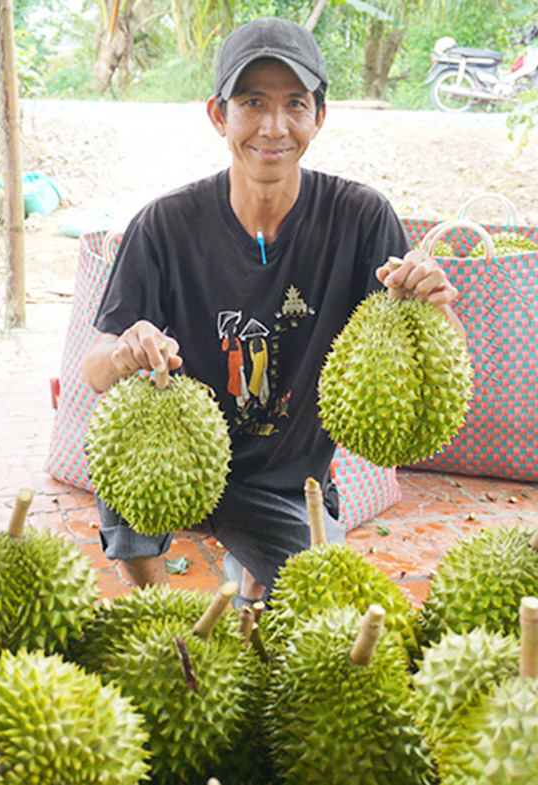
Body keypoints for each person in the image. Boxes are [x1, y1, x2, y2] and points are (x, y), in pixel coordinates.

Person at [81, 16, 462, 605]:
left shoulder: (360, 218)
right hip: (173, 453)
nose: (273, 127)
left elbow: (426, 363)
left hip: (288, 479)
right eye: (252, 102)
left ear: (319, 117)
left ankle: (254, 572)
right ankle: (155, 609)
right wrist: (127, 350)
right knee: (124, 463)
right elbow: (95, 366)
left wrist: (434, 306)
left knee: (328, 606)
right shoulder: (163, 225)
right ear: (219, 115)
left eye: (294, 104)